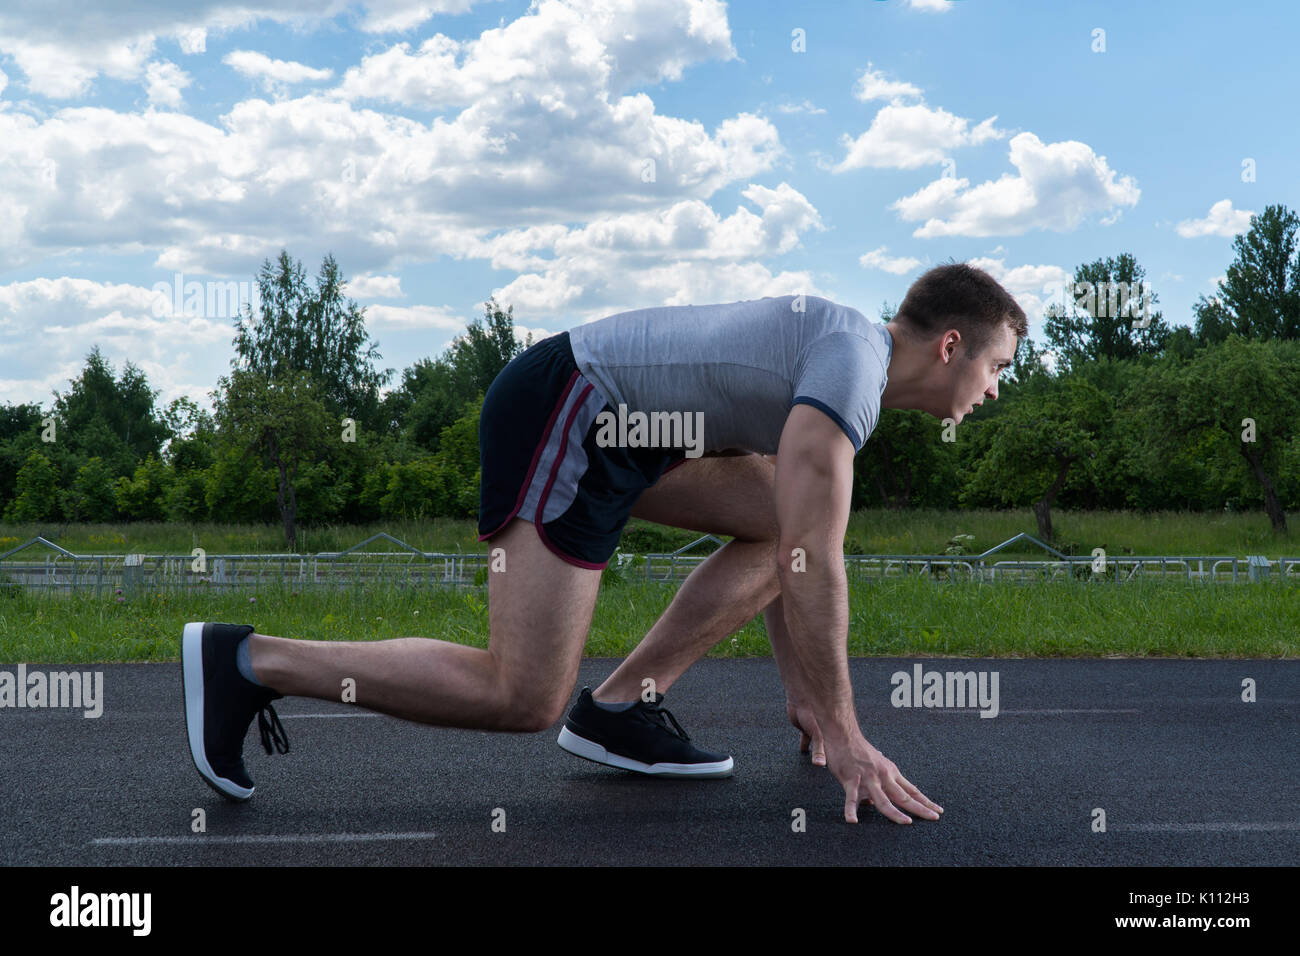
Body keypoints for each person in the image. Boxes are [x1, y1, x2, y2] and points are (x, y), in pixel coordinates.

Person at [182, 261, 1026, 824]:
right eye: (997, 369)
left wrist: (809, 694)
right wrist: (845, 735)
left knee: (779, 512)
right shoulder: (850, 369)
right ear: (950, 345)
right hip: (572, 411)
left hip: (626, 430)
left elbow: (787, 533)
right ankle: (251, 662)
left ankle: (623, 708)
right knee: (520, 696)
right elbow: (817, 561)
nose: (994, 391)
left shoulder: (844, 357)